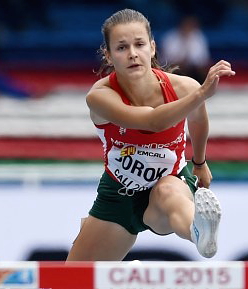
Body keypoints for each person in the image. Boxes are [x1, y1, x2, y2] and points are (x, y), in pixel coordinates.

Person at [66, 8, 235, 261]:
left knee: (168, 191)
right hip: (119, 196)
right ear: (109, 55)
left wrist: (199, 162)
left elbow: (198, 120)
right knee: (72, 281)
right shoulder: (99, 97)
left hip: (169, 185)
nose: (133, 53)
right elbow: (152, 122)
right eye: (122, 48)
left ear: (152, 48)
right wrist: (200, 94)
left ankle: (198, 230)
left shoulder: (183, 87)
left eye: (139, 44)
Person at [161, 15, 211, 84]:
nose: (188, 28)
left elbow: (203, 59)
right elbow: (166, 59)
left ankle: (199, 88)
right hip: (174, 68)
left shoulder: (198, 37)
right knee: (176, 68)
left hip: (193, 70)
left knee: (201, 70)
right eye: (187, 25)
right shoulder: (170, 37)